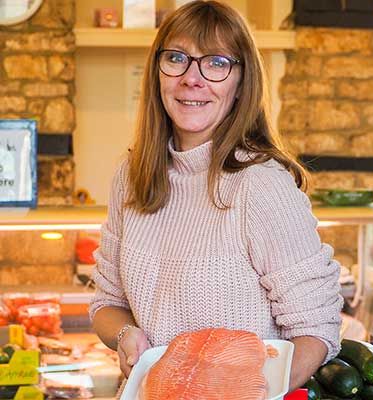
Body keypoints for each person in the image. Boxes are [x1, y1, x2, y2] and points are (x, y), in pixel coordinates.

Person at [89, 0, 343, 396]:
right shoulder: (131, 176)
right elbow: (107, 302)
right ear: (157, 72)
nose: (193, 79)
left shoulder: (261, 185)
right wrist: (125, 334)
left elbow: (316, 330)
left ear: (242, 82)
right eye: (177, 58)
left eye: (217, 63)